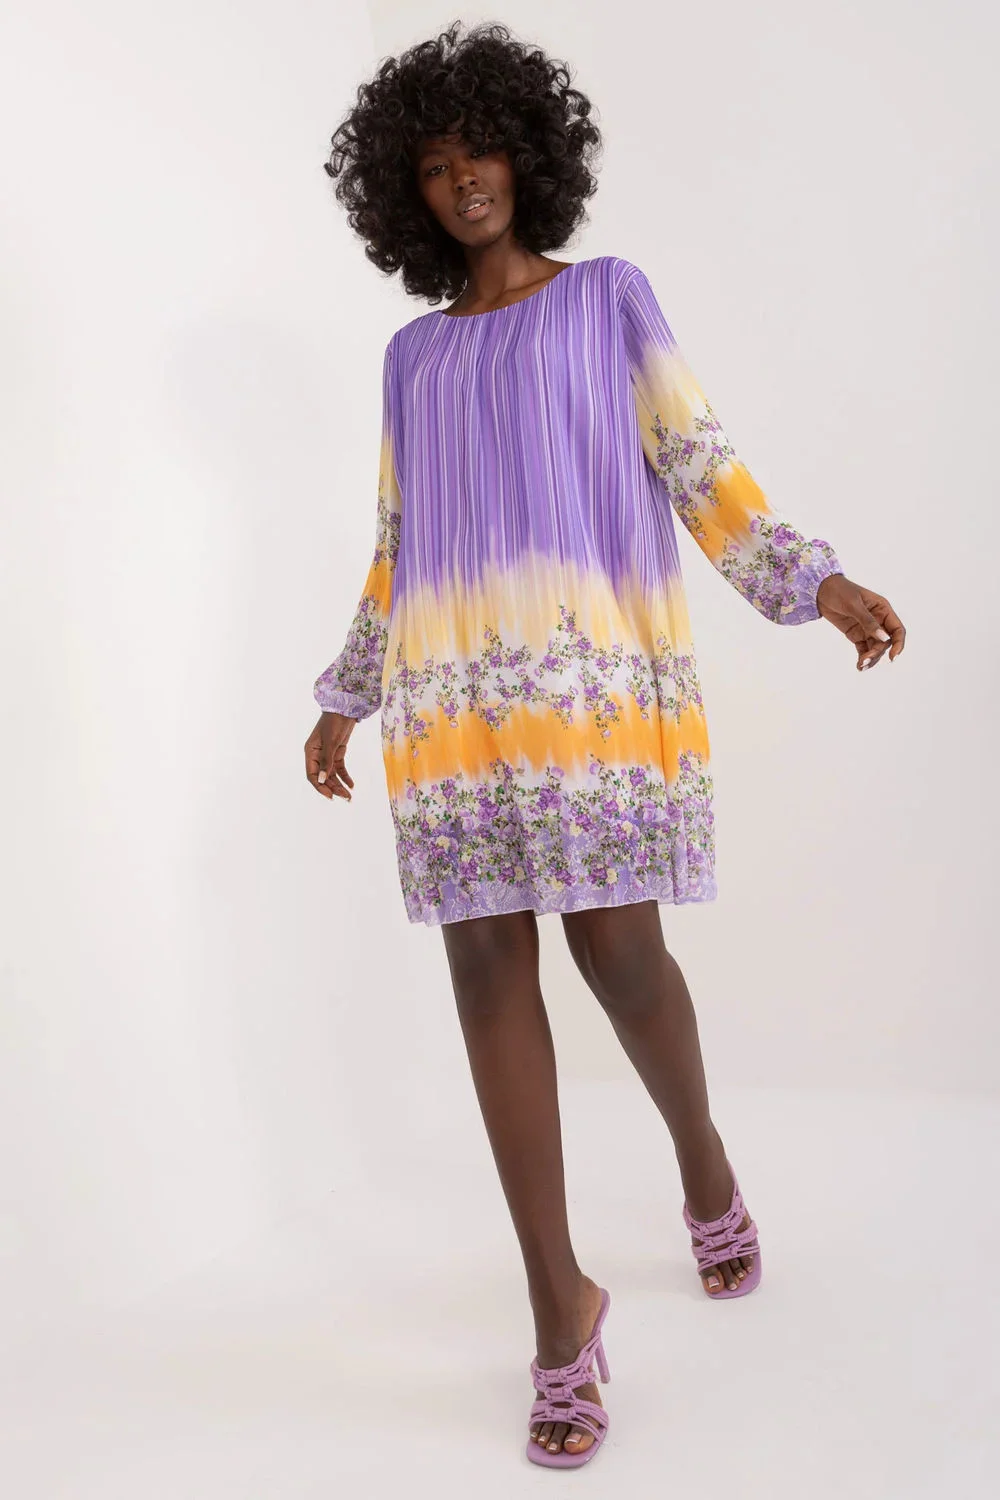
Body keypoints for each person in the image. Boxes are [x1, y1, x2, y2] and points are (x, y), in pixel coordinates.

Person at [303, 20, 905, 1470]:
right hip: (453, 708)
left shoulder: (609, 298)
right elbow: (398, 539)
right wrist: (348, 690)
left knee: (621, 954)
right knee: (484, 974)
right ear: (405, 195)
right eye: (432, 167)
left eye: (481, 151)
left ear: (529, 155)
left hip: (591, 692)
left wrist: (811, 581)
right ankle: (559, 1312)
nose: (463, 181)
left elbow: (697, 462)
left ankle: (703, 1161)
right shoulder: (410, 358)